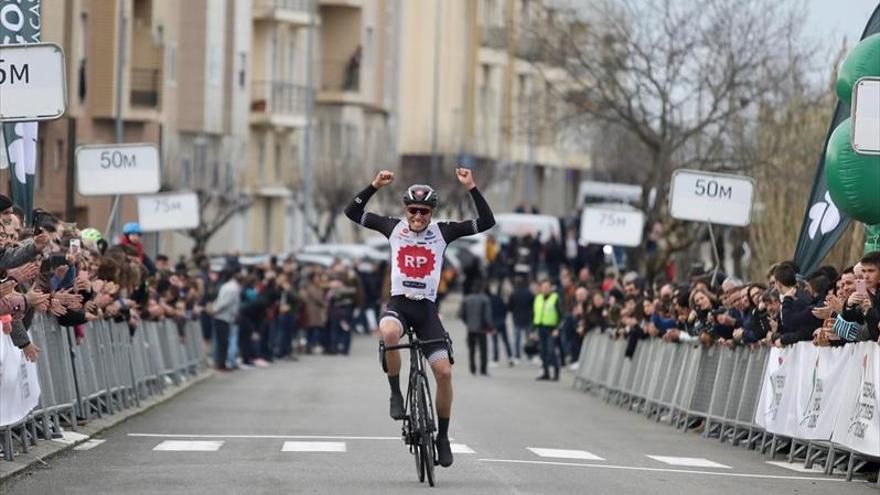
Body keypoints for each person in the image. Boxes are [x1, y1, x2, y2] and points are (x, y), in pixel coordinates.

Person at [344, 167, 495, 469]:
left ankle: (443, 437)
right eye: (413, 209)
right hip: (400, 305)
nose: (418, 216)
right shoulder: (393, 227)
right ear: (405, 209)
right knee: (387, 333)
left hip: (426, 310)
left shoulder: (443, 232)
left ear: (431, 212)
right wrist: (374, 185)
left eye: (424, 211)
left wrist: (471, 187)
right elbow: (352, 211)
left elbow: (487, 222)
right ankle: (396, 394)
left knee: (444, 373)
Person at [459, 280, 493, 376]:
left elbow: (462, 314)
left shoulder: (466, 299)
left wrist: (468, 323)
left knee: (472, 349)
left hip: (470, 328)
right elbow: (487, 315)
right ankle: (483, 370)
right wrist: (490, 326)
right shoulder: (485, 299)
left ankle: (472, 369)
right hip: (482, 328)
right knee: (483, 350)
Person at [533, 278, 562, 381]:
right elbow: (535, 314)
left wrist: (557, 328)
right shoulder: (538, 298)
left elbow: (560, 315)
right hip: (541, 327)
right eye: (543, 287)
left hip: (551, 328)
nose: (545, 289)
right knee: (543, 352)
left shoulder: (555, 298)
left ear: (550, 288)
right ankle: (546, 373)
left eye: (547, 287)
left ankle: (556, 372)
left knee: (551, 351)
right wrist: (533, 330)